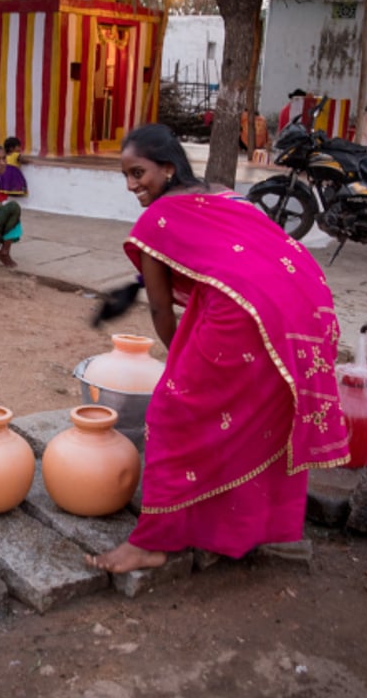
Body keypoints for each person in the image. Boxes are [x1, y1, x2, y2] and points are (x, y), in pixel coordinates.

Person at [86, 123, 350, 574]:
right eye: (125, 177)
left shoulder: (158, 220)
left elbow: (160, 314)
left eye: (139, 173)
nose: (132, 186)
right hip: (301, 309)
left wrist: (181, 367)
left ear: (167, 168)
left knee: (172, 413)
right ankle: (243, 530)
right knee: (253, 418)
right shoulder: (225, 194)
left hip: (245, 319)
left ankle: (152, 543)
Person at [0, 136, 29, 203]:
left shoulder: (4, 155)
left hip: (3, 173)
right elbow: (22, 160)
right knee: (15, 183)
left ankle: (1, 201)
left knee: (4, 186)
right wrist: (29, 161)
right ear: (11, 148)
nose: (20, 148)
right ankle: (15, 192)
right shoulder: (16, 155)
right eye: (18, 146)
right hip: (13, 173)